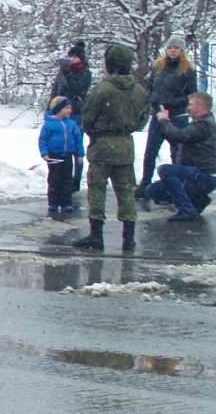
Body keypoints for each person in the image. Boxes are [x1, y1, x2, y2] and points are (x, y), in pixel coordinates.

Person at [72, 42, 147, 252]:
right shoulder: (139, 90)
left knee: (97, 189)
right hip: (125, 144)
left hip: (103, 144)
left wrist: (95, 132)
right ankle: (128, 238)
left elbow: (88, 116)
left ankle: (96, 234)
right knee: (126, 191)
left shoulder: (103, 89)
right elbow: (143, 117)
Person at [136, 35, 199, 206]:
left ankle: (176, 186)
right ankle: (145, 183)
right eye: (170, 48)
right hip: (158, 115)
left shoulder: (187, 70)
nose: (172, 51)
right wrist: (153, 101)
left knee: (177, 154)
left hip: (177, 117)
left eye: (176, 48)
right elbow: (149, 87)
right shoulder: (158, 67)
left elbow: (191, 95)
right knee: (150, 152)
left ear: (181, 51)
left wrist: (171, 105)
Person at [151, 91, 215, 223]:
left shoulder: (204, 126)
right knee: (152, 191)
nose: (188, 108)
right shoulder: (200, 123)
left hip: (203, 174)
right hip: (195, 174)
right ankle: (198, 199)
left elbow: (180, 136)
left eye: (191, 104)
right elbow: (178, 138)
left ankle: (187, 209)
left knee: (165, 170)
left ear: (201, 107)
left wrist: (164, 120)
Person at [38, 96, 84, 218]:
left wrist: (80, 154)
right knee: (54, 179)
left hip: (68, 155)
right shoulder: (49, 125)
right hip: (54, 156)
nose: (69, 110)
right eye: (66, 108)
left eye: (70, 108)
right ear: (58, 109)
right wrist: (44, 153)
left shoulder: (71, 124)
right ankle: (53, 202)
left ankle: (66, 202)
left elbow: (78, 138)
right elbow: (43, 140)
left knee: (67, 180)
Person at [48, 40, 92, 114]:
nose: (72, 59)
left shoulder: (85, 72)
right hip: (59, 110)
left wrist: (68, 75)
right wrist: (49, 108)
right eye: (71, 56)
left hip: (74, 111)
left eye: (75, 57)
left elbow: (78, 91)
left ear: (81, 58)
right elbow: (55, 90)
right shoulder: (65, 70)